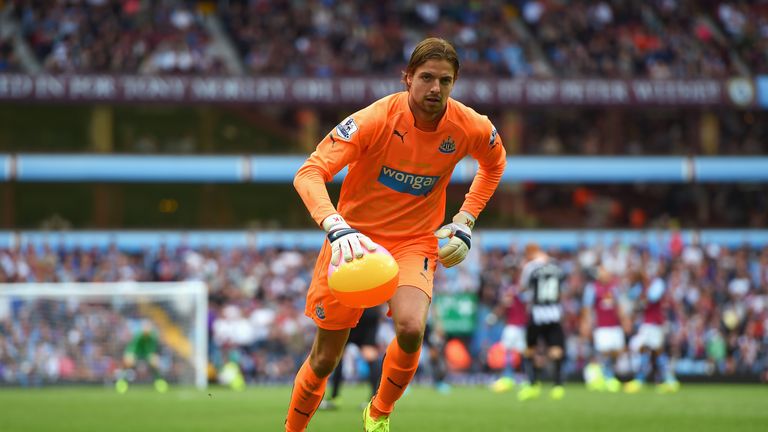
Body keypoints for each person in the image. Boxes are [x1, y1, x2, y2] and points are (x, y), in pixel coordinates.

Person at [285, 37, 506, 432]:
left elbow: (494, 163)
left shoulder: (471, 126)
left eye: (445, 80)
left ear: (455, 83)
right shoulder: (374, 120)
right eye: (426, 78)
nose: (435, 89)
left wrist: (467, 220)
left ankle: (379, 412)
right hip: (354, 241)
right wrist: (336, 226)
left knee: (410, 328)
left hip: (415, 240)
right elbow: (309, 172)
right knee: (324, 360)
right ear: (407, 78)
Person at [517, 243, 567, 401]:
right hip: (554, 312)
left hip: (537, 312)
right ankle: (558, 385)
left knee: (531, 348)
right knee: (556, 348)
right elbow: (561, 290)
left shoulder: (531, 267)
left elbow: (523, 287)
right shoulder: (556, 265)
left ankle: (533, 384)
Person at [624, 265, 680, 393]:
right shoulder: (641, 287)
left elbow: (651, 298)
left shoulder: (657, 284)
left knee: (654, 350)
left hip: (654, 323)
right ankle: (644, 380)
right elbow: (631, 297)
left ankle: (668, 380)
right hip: (648, 323)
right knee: (647, 350)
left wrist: (643, 290)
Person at [319, 306, 383, 410]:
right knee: (369, 354)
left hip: (349, 310)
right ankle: (374, 400)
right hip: (369, 309)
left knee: (338, 355)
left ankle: (334, 398)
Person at [580, 265, 630, 392]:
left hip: (615, 325)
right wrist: (586, 323)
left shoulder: (614, 287)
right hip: (601, 326)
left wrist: (625, 320)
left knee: (617, 352)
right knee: (603, 351)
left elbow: (619, 305)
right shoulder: (592, 288)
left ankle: (607, 375)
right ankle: (605, 377)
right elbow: (587, 307)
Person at [115, 320, 168, 393]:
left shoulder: (152, 337)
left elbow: (151, 350)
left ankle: (159, 381)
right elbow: (133, 348)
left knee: (155, 362)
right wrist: (131, 356)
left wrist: (151, 357)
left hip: (145, 353)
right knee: (128, 362)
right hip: (136, 352)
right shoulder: (138, 336)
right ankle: (122, 382)